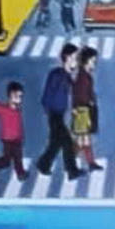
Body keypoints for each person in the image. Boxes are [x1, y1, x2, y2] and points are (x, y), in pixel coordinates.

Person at [35, 45, 82, 182]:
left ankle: (43, 164)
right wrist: (48, 109)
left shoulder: (67, 76)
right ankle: (72, 171)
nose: (76, 61)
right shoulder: (57, 74)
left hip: (59, 113)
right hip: (54, 114)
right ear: (67, 58)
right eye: (74, 58)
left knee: (55, 143)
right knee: (66, 141)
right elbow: (47, 95)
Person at [71, 48, 103, 174]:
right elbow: (78, 94)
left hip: (85, 109)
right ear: (86, 61)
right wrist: (88, 103)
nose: (94, 64)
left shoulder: (85, 75)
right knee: (82, 139)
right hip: (82, 110)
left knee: (85, 138)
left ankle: (90, 163)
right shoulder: (82, 77)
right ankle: (71, 163)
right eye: (93, 61)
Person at [0, 78, 27, 180]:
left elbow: (19, 125)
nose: (18, 99)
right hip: (7, 139)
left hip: (17, 139)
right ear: (9, 96)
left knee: (18, 158)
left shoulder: (18, 110)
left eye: (20, 96)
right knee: (7, 161)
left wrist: (21, 136)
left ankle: (20, 174)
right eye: (16, 96)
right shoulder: (3, 109)